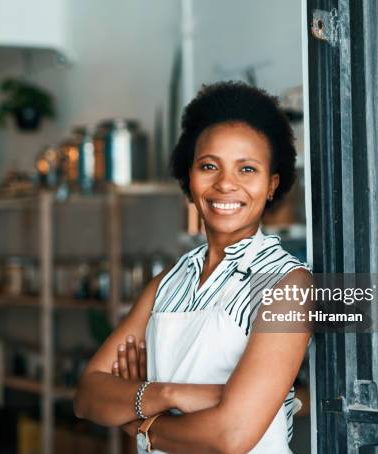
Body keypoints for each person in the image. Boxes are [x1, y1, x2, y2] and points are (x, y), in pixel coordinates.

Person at [74, 81, 313, 453]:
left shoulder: (287, 284)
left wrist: (139, 422)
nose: (225, 184)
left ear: (272, 184)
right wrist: (171, 394)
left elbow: (230, 435)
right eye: (209, 166)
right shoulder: (167, 283)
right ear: (190, 177)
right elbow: (88, 395)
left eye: (247, 169)